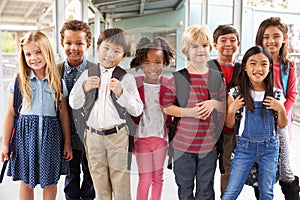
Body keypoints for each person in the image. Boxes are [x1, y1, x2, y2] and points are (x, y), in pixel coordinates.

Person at [69, 27, 143, 200]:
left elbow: (138, 109)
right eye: (106, 48)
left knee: (121, 185)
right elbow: (74, 102)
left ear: (123, 56)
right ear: (97, 47)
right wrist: (84, 87)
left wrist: (121, 94)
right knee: (99, 184)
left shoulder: (126, 78)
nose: (109, 54)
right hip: (93, 136)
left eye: (116, 51)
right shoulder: (87, 74)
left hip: (117, 136)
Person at [0, 31, 73, 200]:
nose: (34, 58)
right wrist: (5, 144)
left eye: (38, 52)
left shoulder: (58, 83)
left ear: (47, 51)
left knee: (50, 182)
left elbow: (63, 114)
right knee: (26, 182)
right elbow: (10, 113)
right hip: (25, 139)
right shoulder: (19, 81)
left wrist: (67, 142)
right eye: (28, 54)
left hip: (52, 139)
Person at [162, 25, 226, 200]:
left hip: (209, 146)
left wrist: (213, 103)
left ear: (210, 48)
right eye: (195, 46)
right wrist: (190, 112)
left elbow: (224, 106)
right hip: (183, 146)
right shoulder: (177, 78)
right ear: (186, 50)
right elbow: (167, 107)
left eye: (204, 45)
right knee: (185, 187)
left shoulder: (216, 77)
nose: (200, 50)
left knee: (205, 189)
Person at [222, 45, 288, 200]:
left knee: (267, 193)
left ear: (270, 68)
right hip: (244, 149)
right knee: (231, 192)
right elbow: (230, 125)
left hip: (269, 149)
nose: (258, 68)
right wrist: (232, 110)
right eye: (253, 63)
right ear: (245, 66)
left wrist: (281, 110)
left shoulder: (276, 93)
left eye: (264, 64)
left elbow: (282, 124)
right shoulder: (236, 92)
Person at [255, 16, 299, 199]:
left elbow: (292, 95)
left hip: (281, 124)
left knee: (285, 167)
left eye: (276, 36)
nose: (271, 41)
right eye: (266, 37)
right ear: (260, 39)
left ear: (284, 39)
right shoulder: (253, 63)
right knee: (262, 169)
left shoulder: (288, 66)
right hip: (258, 125)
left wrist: (281, 112)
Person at [130, 36, 175, 200]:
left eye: (157, 62)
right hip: (142, 138)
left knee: (158, 178)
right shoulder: (135, 82)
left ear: (165, 62)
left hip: (161, 138)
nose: (152, 67)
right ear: (141, 63)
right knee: (145, 178)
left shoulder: (169, 83)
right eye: (147, 62)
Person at [58, 19, 95, 200]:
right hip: (66, 137)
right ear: (62, 44)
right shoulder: (55, 71)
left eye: (79, 43)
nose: (74, 48)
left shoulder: (95, 70)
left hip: (91, 136)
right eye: (69, 43)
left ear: (88, 44)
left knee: (91, 177)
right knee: (71, 176)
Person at [209, 24, 241, 196]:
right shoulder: (207, 67)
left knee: (228, 167)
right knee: (206, 167)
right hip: (209, 129)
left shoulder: (242, 69)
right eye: (223, 40)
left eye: (232, 40)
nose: (228, 44)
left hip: (231, 129)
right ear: (215, 45)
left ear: (239, 43)